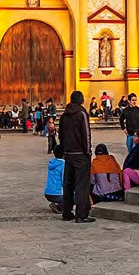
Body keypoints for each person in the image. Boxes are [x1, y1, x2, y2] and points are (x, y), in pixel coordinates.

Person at [58, 90, 94, 223]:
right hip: (80, 154)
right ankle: (81, 214)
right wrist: (88, 151)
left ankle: (66, 212)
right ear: (82, 100)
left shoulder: (64, 115)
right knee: (81, 185)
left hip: (68, 154)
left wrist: (64, 149)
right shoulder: (81, 113)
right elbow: (86, 133)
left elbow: (61, 134)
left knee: (68, 184)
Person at [44, 144, 65, 213]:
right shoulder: (63, 164)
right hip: (57, 193)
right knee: (74, 197)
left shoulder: (52, 163)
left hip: (48, 193)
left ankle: (57, 204)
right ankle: (59, 206)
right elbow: (64, 181)